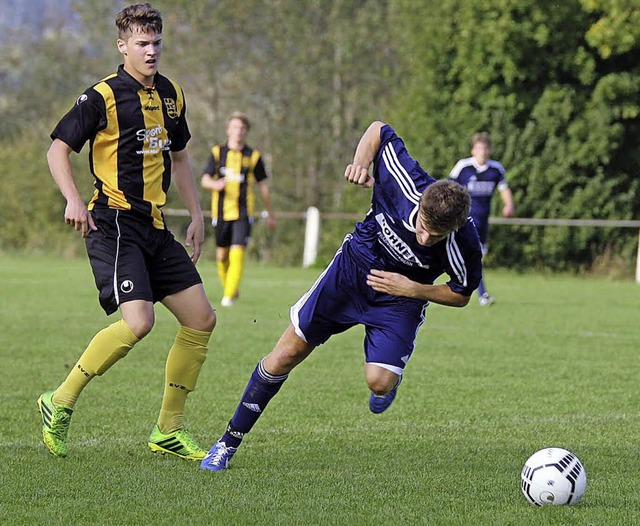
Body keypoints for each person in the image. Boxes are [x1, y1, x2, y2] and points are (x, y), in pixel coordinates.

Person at [200, 121, 483, 472]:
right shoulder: (405, 183)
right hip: (351, 273)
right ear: (421, 204)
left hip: (400, 300)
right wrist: (361, 163)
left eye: (436, 235)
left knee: (379, 383)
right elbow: (379, 129)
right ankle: (226, 444)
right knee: (285, 354)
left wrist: (413, 289)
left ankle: (389, 378)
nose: (424, 239)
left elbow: (461, 293)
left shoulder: (464, 241)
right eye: (422, 226)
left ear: (455, 227)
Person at [38, 3, 216, 461]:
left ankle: (169, 429)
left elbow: (179, 158)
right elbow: (58, 150)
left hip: (155, 226)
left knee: (201, 319)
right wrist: (73, 199)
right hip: (114, 224)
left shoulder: (173, 94)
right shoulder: (101, 96)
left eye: (156, 42)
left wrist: (196, 215)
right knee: (139, 322)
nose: (151, 50)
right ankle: (59, 401)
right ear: (123, 47)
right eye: (142, 43)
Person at [201, 112, 276, 307]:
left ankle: (227, 297)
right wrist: (215, 184)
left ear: (247, 132)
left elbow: (264, 186)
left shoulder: (254, 156)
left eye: (242, 129)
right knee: (222, 256)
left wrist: (270, 213)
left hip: (244, 212)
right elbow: (204, 179)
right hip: (221, 212)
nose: (238, 132)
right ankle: (231, 289)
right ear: (228, 130)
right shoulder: (218, 153)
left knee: (238, 251)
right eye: (234, 127)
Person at [449, 132, 514, 306]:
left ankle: (465, 288)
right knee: (474, 257)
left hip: (483, 221)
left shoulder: (495, 169)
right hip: (465, 220)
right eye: (479, 148)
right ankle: (482, 295)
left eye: (485, 148)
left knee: (473, 259)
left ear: (489, 150)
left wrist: (509, 205)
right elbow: (448, 188)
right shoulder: (463, 167)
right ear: (472, 150)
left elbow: (504, 188)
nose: (482, 151)